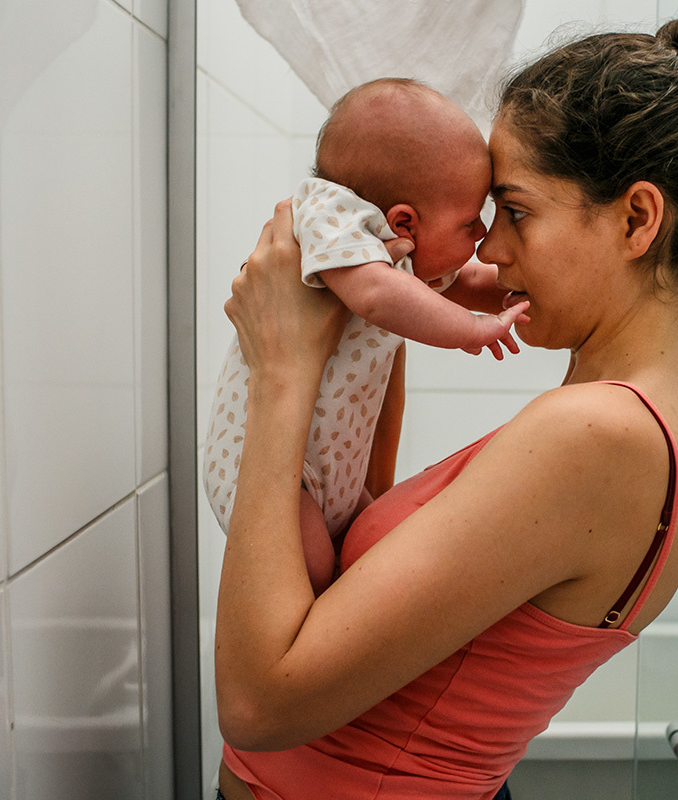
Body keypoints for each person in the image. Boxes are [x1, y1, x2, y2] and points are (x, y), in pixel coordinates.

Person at [214, 17, 678, 800]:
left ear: (636, 220)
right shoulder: (657, 416)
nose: (487, 250)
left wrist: (282, 369)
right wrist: (372, 325)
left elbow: (255, 704)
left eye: (515, 211)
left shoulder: (598, 435)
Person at [203, 79, 529, 594]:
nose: (483, 236)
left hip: (332, 469)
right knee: (313, 569)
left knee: (373, 546)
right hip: (266, 464)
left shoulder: (404, 250)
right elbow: (375, 295)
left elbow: (465, 282)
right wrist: (473, 330)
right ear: (404, 220)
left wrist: (518, 292)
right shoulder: (330, 216)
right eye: (471, 222)